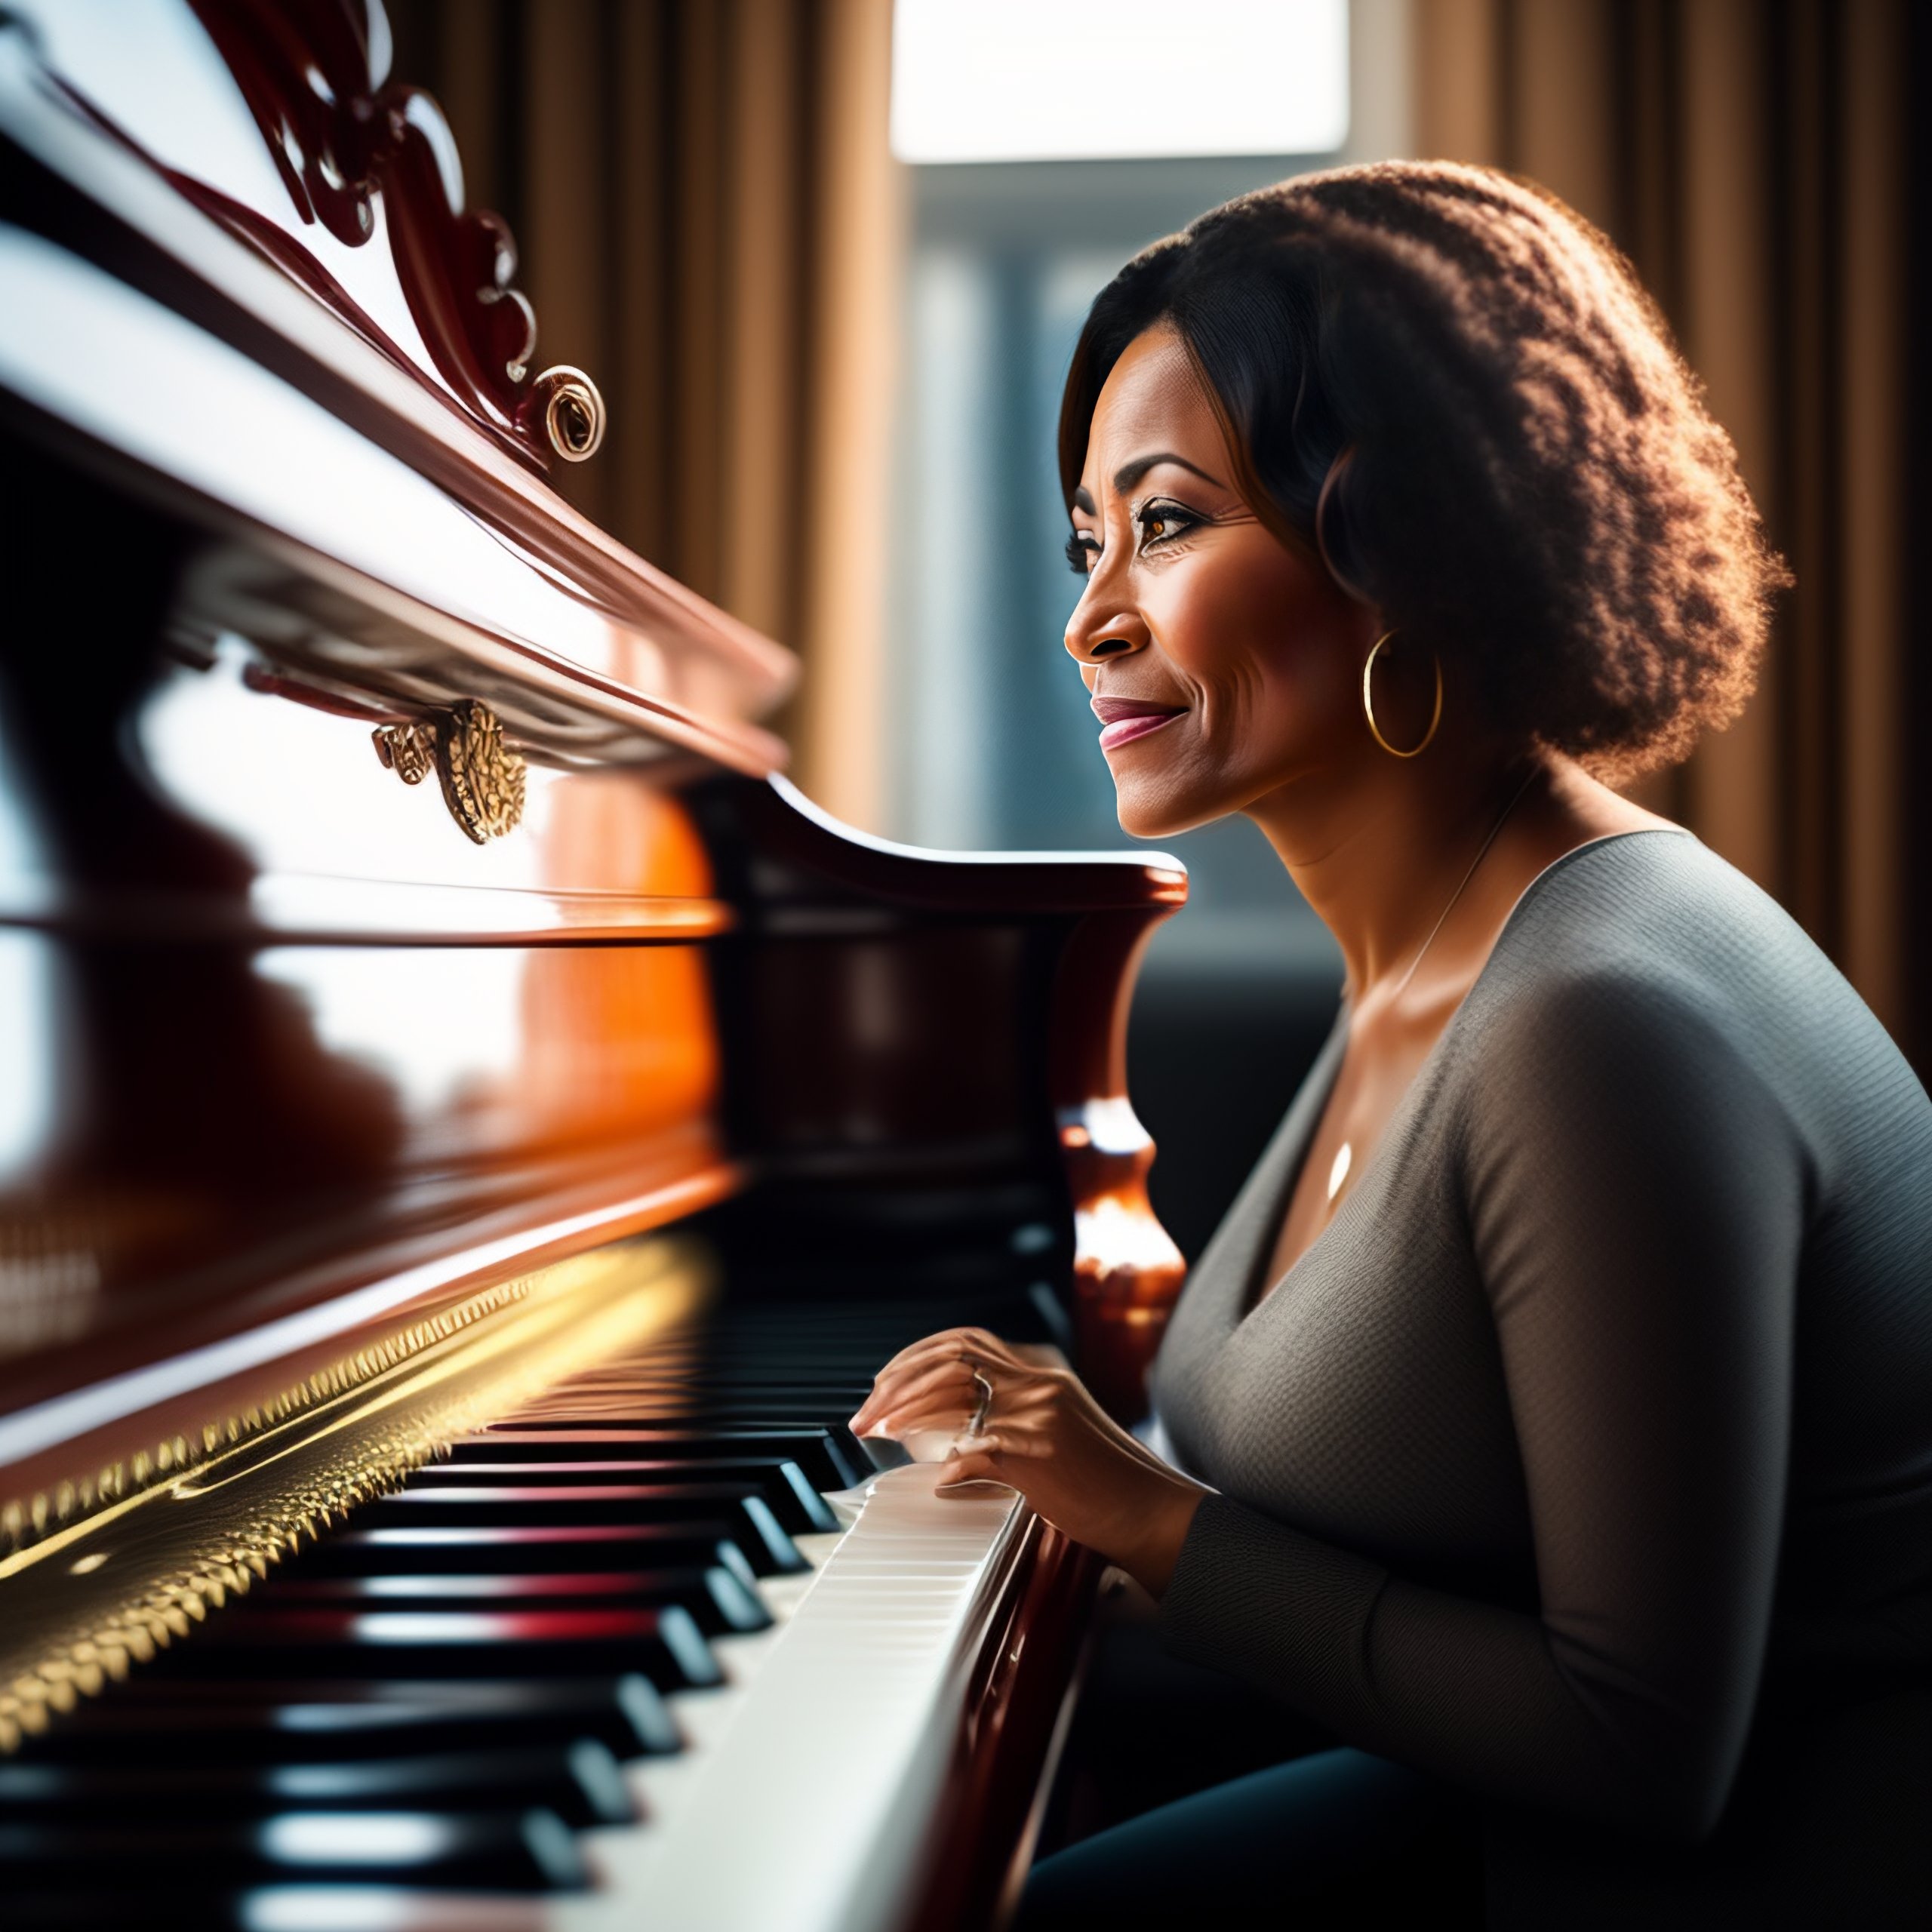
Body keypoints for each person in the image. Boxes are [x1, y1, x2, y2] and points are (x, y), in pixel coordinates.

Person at [849, 163, 1932, 1929]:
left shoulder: (1595, 1022)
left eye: (1171, 522)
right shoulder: (1424, 942)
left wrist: (1132, 1509)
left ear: (1407, 539)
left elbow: (1643, 1739)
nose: (1089, 616)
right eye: (1084, 539)